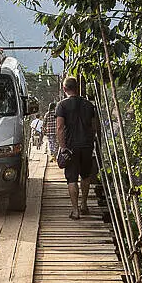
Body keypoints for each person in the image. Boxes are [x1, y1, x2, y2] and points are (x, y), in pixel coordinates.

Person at [55, 77, 100, 220]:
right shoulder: (89, 105)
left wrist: (62, 148)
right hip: (87, 146)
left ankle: (75, 211)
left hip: (71, 147)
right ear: (78, 88)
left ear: (64, 89)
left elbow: (60, 127)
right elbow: (94, 127)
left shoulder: (62, 105)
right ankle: (84, 204)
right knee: (86, 176)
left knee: (72, 179)